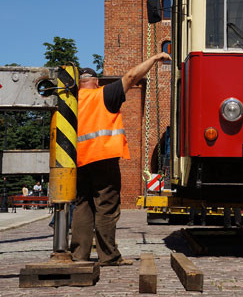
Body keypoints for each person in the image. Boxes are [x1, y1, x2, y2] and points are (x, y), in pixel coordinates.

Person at [69, 53, 170, 266]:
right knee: (106, 206)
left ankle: (79, 255)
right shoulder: (103, 94)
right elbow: (132, 76)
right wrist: (153, 59)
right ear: (95, 82)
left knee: (82, 205)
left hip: (78, 161)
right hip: (103, 158)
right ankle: (108, 256)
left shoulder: (72, 101)